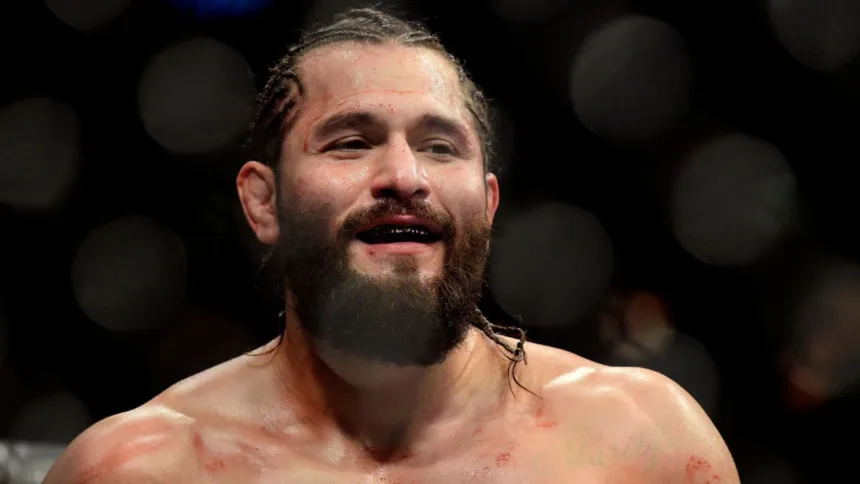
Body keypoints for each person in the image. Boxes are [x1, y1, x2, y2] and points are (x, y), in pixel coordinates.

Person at [44, 8, 739, 483]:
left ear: (488, 203)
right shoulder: (143, 468)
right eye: (351, 142)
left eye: (441, 146)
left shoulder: (641, 445)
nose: (405, 177)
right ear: (264, 202)